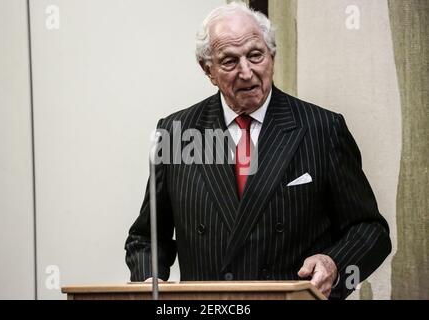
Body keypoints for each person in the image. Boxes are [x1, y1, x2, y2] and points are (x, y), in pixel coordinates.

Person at [124, 2, 391, 299]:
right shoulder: (176, 132)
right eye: (229, 61)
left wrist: (335, 263)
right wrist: (149, 281)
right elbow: (146, 237)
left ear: (272, 55)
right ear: (208, 70)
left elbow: (370, 230)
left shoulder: (322, 129)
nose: (247, 72)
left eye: (255, 55)